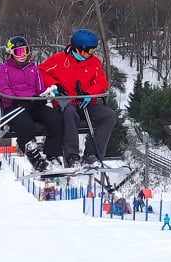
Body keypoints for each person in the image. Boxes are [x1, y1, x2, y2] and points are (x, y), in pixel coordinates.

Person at [39, 28, 117, 164]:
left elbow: (102, 81)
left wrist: (90, 94)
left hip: (86, 103)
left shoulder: (94, 62)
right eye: (89, 51)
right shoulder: (59, 60)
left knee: (108, 116)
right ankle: (72, 155)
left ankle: (92, 155)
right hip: (66, 102)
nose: (92, 54)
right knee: (69, 113)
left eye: (94, 50)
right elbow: (41, 72)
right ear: (79, 49)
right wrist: (55, 86)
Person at [0, 36, 61, 165]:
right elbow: (3, 88)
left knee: (56, 118)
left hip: (33, 104)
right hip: (15, 106)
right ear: (11, 53)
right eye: (18, 52)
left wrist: (41, 97)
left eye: (25, 51)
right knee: (26, 124)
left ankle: (52, 154)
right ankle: (34, 156)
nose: (22, 55)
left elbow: (40, 87)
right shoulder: (4, 69)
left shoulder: (33, 68)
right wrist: (15, 99)